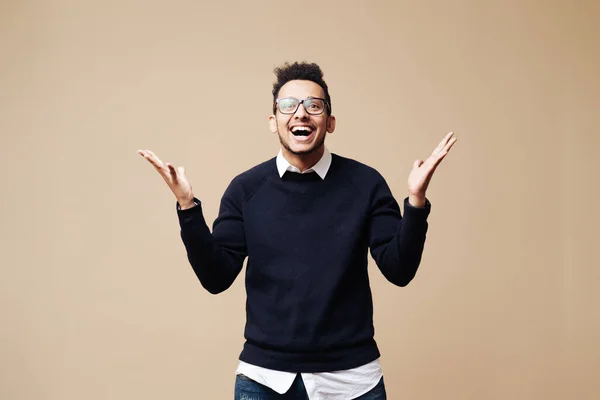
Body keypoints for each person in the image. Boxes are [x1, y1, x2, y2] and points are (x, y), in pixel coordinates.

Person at [138, 61, 456, 400]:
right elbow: (216, 277)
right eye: (288, 105)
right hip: (264, 381)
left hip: (352, 380)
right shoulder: (245, 189)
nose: (301, 114)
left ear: (329, 122)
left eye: (313, 106)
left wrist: (417, 202)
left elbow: (399, 270)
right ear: (273, 121)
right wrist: (187, 206)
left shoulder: (366, 184)